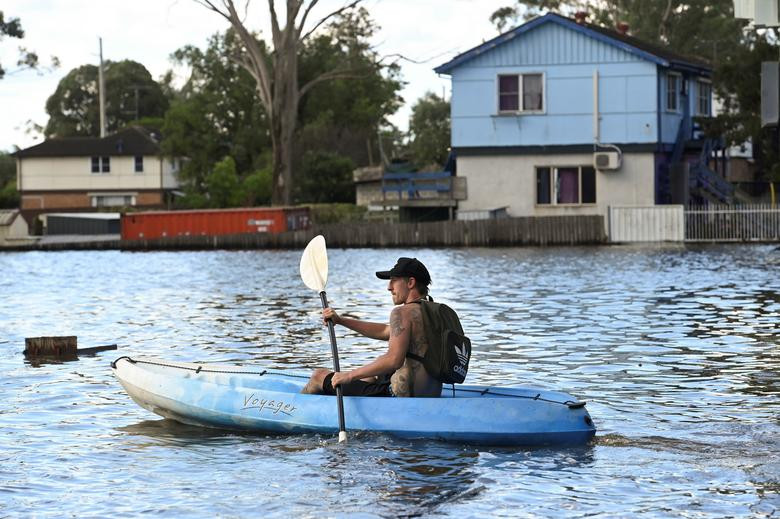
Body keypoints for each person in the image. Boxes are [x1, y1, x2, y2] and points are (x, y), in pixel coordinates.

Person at [301, 257, 442, 398]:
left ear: (411, 282)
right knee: (367, 378)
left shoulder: (401, 313)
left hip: (399, 397)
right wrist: (341, 320)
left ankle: (294, 409)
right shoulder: (436, 313)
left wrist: (349, 376)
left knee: (318, 376)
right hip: (432, 393)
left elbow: (393, 360)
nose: (389, 287)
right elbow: (385, 331)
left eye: (394, 280)